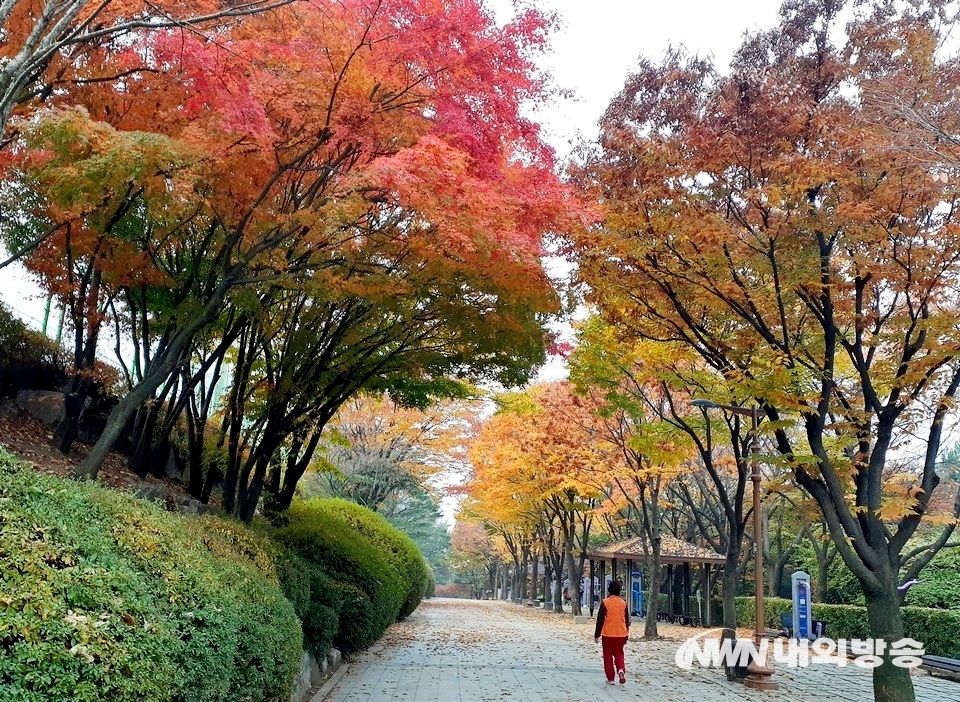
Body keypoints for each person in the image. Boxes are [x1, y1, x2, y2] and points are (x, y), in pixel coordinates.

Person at [593, 580, 630, 685]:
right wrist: (627, 634)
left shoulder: (605, 602)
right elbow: (626, 620)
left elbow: (600, 619)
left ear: (609, 590)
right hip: (621, 633)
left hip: (607, 633)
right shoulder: (623, 603)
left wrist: (597, 634)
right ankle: (621, 669)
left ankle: (611, 678)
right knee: (619, 653)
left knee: (607, 655)